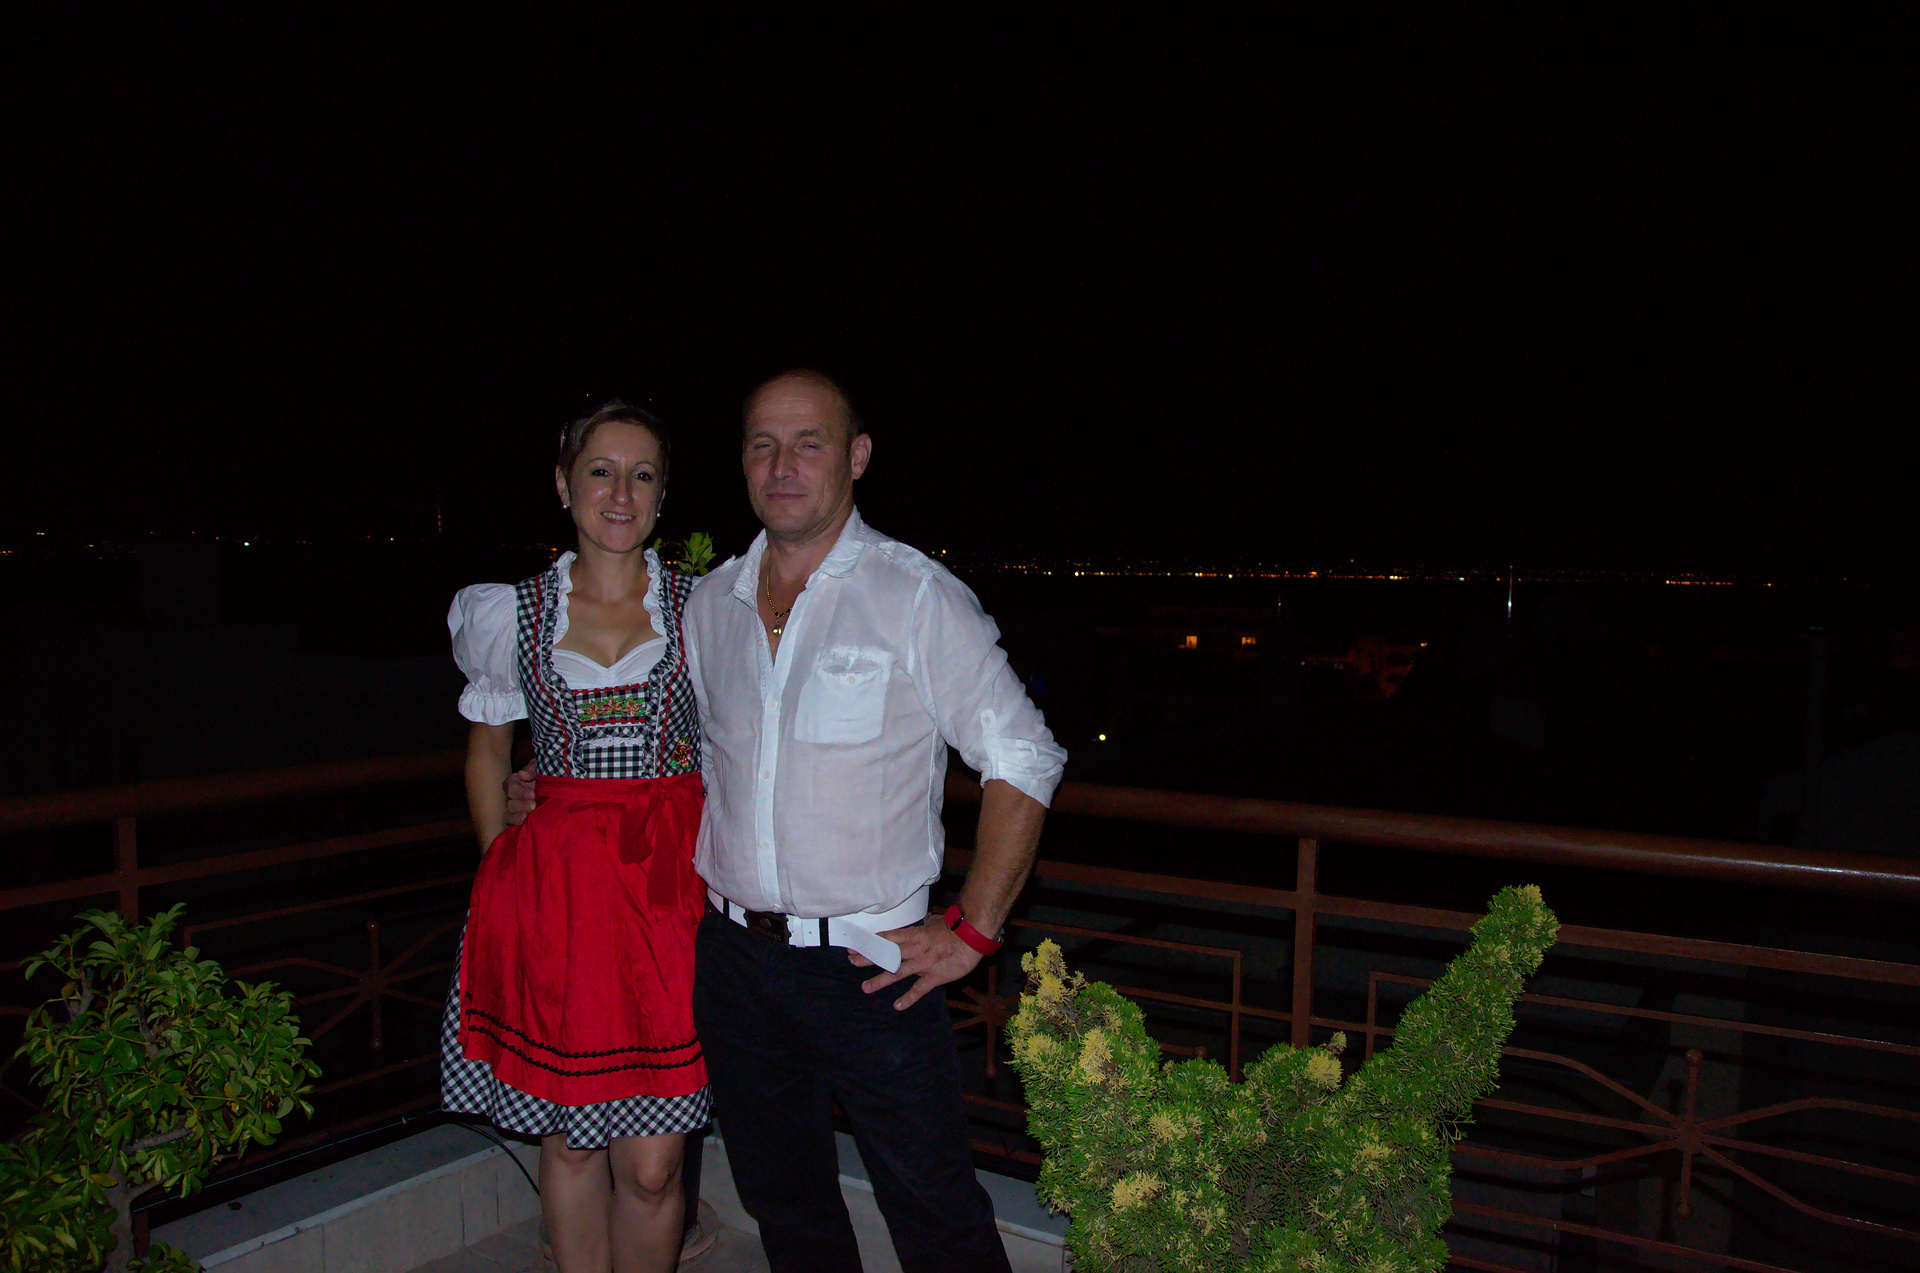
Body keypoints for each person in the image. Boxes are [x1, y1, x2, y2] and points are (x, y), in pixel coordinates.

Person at [682, 371, 1065, 1271]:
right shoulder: (711, 606)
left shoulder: (913, 595)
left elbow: (1025, 756)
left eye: (808, 441)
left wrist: (973, 928)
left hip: (872, 964)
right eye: (762, 444)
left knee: (933, 1209)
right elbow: (698, 761)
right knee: (786, 1204)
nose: (782, 465)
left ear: (855, 456)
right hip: (735, 961)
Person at [441, 400, 711, 1273]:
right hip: (559, 901)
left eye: (641, 474)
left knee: (653, 1160)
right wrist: (502, 866)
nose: (620, 492)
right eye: (601, 470)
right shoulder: (512, 614)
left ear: (663, 496)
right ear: (564, 484)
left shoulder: (703, 610)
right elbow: (488, 751)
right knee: (572, 1142)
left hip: (671, 898)